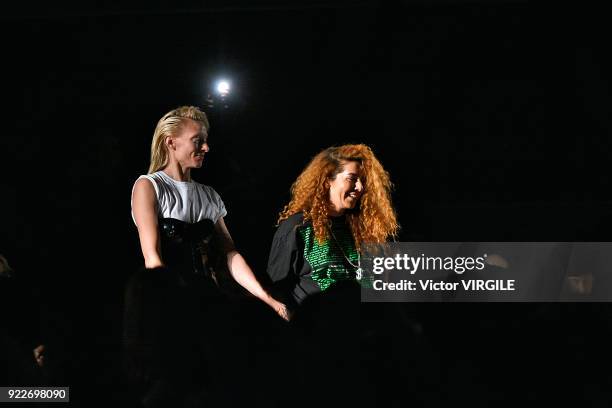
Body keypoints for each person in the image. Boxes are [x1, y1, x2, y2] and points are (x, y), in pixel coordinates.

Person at [125, 105, 288, 406]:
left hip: (210, 296)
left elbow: (229, 254)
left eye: (206, 140)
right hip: (170, 304)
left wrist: (267, 299)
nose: (206, 147)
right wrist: (176, 307)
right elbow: (152, 258)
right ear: (170, 142)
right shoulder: (149, 186)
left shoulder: (209, 195)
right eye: (197, 140)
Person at [265, 144, 400, 406]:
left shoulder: (364, 229)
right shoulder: (297, 227)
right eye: (352, 178)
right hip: (320, 350)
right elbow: (276, 291)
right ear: (327, 180)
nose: (360, 187)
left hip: (365, 347)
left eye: (363, 180)